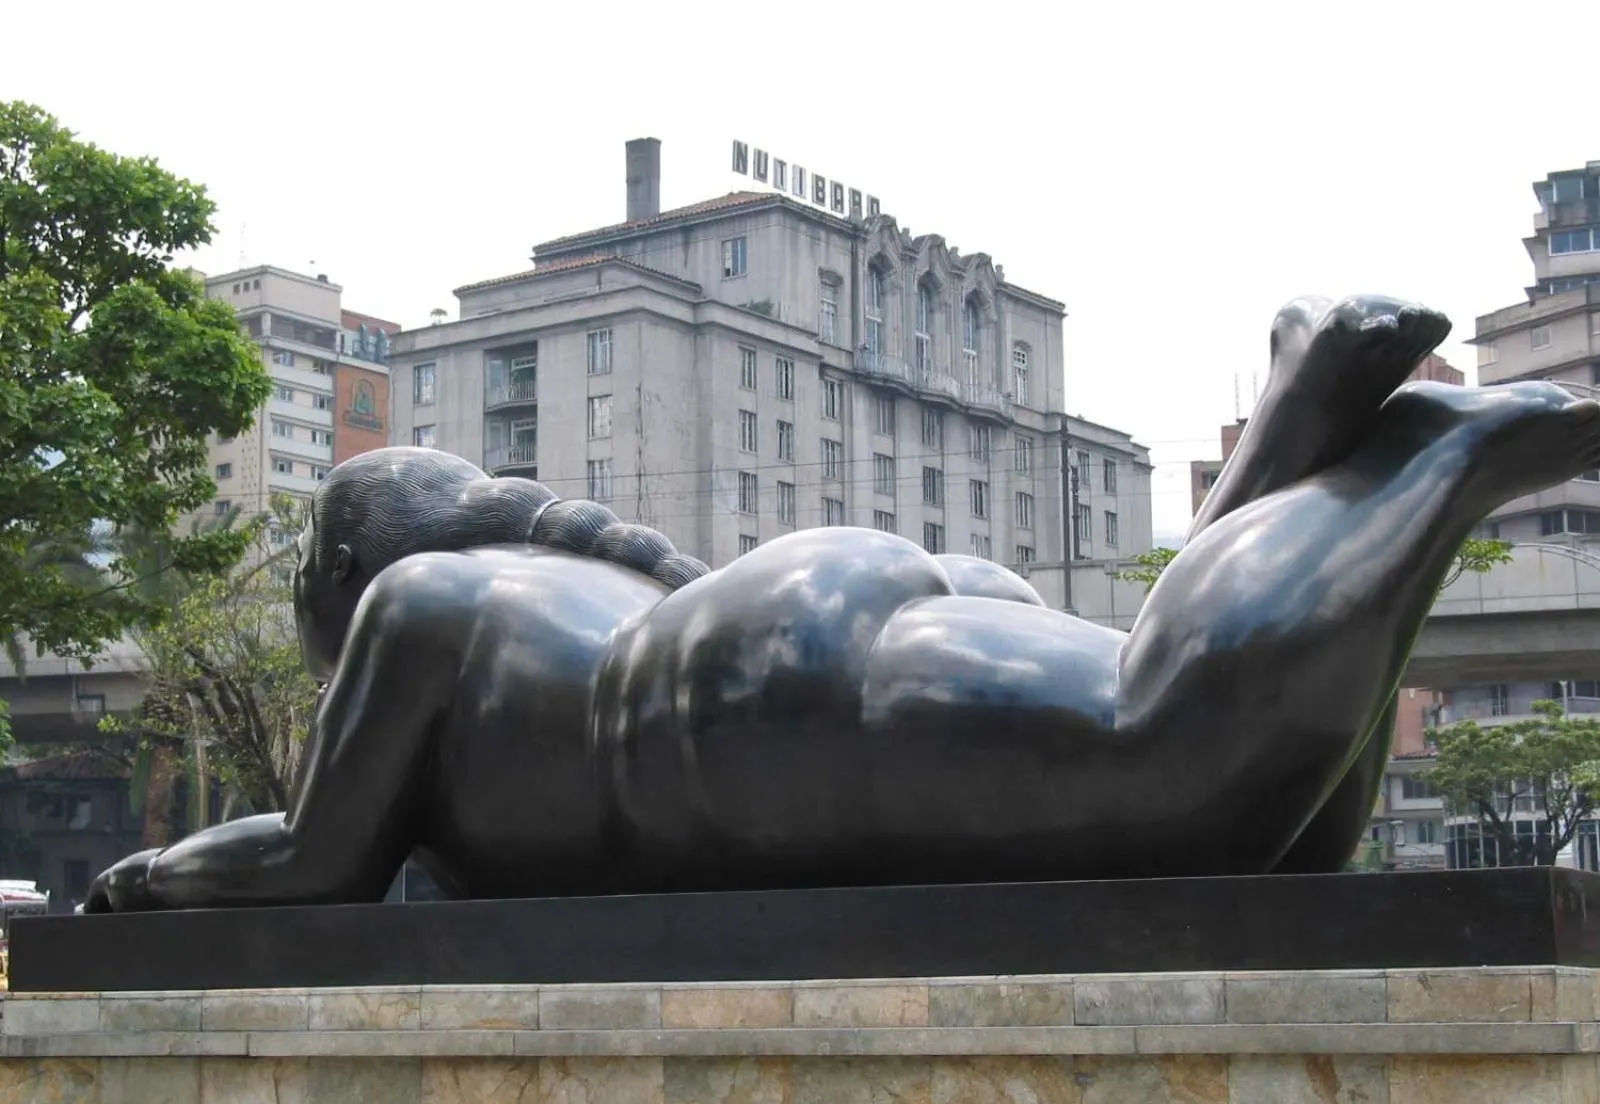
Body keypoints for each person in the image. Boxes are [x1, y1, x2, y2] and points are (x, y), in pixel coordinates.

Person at [85, 294, 1600, 912]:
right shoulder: (539, 597)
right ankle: (1304, 429)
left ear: (350, 568)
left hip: (749, 712)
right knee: (1261, 842)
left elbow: (313, 867)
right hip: (799, 642)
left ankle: (1439, 460)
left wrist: (150, 879)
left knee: (1167, 748)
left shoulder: (416, 608)